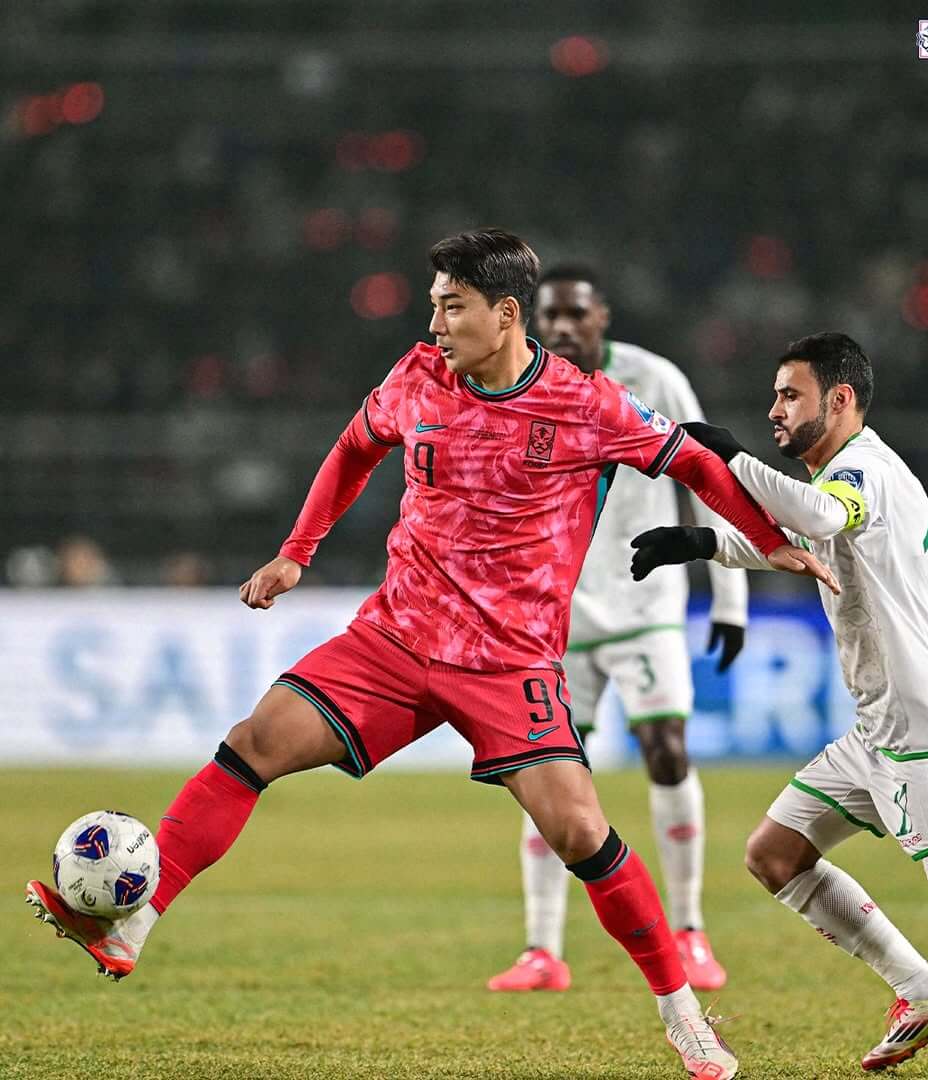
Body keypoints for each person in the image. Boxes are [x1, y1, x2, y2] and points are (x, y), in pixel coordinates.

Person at [27, 230, 837, 1079]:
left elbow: (696, 462)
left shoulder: (586, 404)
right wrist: (296, 551)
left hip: (509, 663)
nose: (437, 321)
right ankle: (131, 925)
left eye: (453, 306)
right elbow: (352, 449)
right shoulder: (417, 377)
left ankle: (685, 1017)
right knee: (251, 744)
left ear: (507, 313)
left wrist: (765, 539)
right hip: (396, 639)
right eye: (435, 304)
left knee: (582, 833)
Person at [630, 331, 928, 1080]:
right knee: (775, 853)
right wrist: (702, 540)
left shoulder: (864, 471)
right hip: (882, 726)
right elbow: (804, 540)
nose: (776, 408)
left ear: (839, 400)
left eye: (790, 394)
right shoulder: (837, 476)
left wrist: (731, 461)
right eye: (775, 394)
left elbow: (822, 520)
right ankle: (922, 994)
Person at [488, 266, 746, 994]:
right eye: (550, 317)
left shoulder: (653, 378)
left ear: (603, 314)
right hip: (557, 614)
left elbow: (711, 476)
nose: (563, 328)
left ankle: (691, 932)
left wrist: (729, 599)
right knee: (546, 775)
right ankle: (543, 950)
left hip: (647, 604)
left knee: (666, 750)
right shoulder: (520, 387)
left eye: (576, 314)